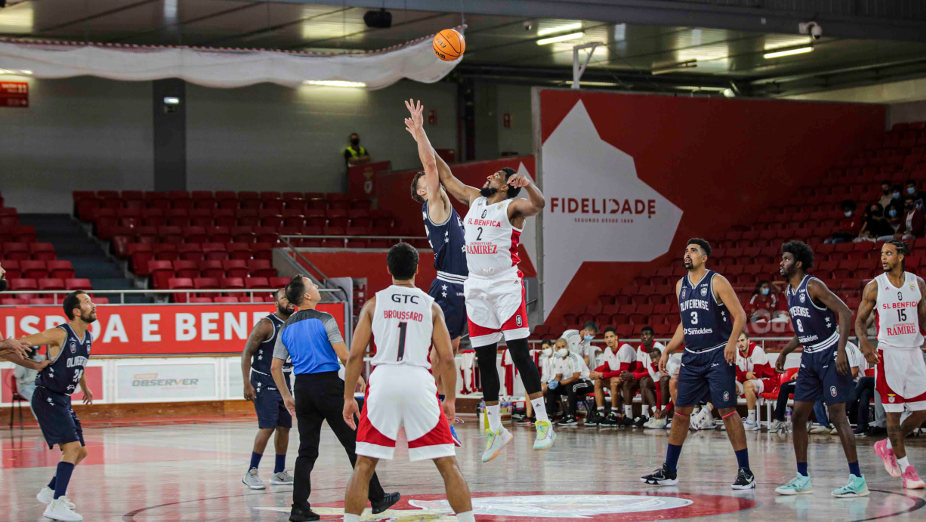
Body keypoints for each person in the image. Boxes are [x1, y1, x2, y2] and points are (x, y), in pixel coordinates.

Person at [423, 103, 553, 461]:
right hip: (476, 286)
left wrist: (529, 185)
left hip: (506, 285)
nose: (489, 176)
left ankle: (544, 422)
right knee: (483, 358)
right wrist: (422, 135)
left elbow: (540, 205)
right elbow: (446, 176)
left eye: (496, 175)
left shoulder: (512, 208)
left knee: (519, 352)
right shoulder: (475, 199)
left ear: (507, 185)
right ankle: (496, 430)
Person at [341, 242, 474, 522]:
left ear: (388, 269)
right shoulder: (431, 306)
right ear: (417, 269)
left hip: (384, 378)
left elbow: (354, 356)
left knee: (364, 464)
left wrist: (348, 397)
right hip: (418, 380)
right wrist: (450, 399)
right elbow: (447, 359)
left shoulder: (374, 303)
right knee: (447, 463)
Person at [271, 275, 399, 522]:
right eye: (312, 285)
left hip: (303, 389)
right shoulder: (325, 319)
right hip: (328, 387)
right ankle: (377, 498)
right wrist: (357, 376)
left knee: (306, 451)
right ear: (307, 295)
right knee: (355, 444)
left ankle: (299, 508)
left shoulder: (285, 328)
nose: (317, 287)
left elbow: (275, 367)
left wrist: (287, 396)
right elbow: (345, 356)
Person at [642, 238, 754, 490]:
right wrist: (668, 349)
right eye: (686, 250)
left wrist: (731, 343)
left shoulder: (717, 281)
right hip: (692, 356)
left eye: (693, 250)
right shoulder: (680, 285)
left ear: (704, 257)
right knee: (681, 412)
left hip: (717, 354)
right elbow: (685, 324)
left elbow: (740, 315)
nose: (687, 254)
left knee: (727, 411)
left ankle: (746, 471)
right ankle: (670, 470)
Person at [773, 241, 869, 498]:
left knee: (838, 416)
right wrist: (785, 351)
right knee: (798, 416)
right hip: (809, 356)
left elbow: (845, 313)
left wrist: (841, 351)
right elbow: (802, 331)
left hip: (830, 352)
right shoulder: (789, 292)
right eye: (782, 258)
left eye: (786, 259)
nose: (781, 263)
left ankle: (857, 479)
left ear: (798, 263)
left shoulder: (813, 286)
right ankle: (802, 477)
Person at [405, 99, 466, 446]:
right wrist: (419, 133)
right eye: (425, 182)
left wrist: (421, 137)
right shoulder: (436, 206)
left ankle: (438, 416)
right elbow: (430, 165)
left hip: (460, 287)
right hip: (451, 288)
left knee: (448, 354)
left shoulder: (444, 205)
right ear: (422, 192)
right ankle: (432, 414)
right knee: (441, 355)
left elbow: (439, 170)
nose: (431, 180)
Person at [2, 291, 93, 521]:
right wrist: (12, 345)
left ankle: (50, 490)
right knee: (71, 449)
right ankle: (56, 504)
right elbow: (27, 341)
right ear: (76, 311)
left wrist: (85, 387)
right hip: (47, 396)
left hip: (63, 398)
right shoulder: (59, 333)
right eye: (87, 302)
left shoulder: (88, 337)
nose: (93, 305)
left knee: (81, 451)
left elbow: (78, 365)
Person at [855, 240, 926, 490]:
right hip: (889, 355)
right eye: (882, 254)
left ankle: (886, 446)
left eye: (889, 253)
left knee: (922, 412)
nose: (884, 258)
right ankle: (907, 470)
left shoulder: (918, 284)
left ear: (901, 256)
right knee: (893, 415)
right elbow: (859, 321)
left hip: (914, 353)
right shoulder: (875, 286)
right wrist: (865, 343)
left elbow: (923, 318)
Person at [241, 289, 297, 490]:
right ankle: (251, 472)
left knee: (284, 427)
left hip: (284, 381)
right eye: (284, 298)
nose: (288, 300)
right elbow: (247, 352)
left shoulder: (295, 323)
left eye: (290, 297)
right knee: (267, 426)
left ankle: (279, 472)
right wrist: (246, 383)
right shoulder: (266, 324)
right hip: (263, 381)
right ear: (276, 303)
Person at [587, 327, 635, 426]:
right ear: (604, 339)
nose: (609, 339)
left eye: (611, 336)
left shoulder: (625, 348)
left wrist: (602, 374)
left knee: (613, 380)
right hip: (619, 378)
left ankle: (615, 414)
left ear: (616, 337)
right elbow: (606, 367)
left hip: (631, 379)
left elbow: (623, 370)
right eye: (606, 337)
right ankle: (600, 413)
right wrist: (594, 373)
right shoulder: (607, 350)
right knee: (598, 380)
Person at [545, 333, 594, 426]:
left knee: (571, 386)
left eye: (563, 346)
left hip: (585, 382)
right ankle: (550, 415)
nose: (561, 349)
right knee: (551, 389)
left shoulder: (574, 357)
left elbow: (576, 377)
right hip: (569, 383)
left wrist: (559, 383)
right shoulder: (557, 358)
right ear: (556, 349)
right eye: (559, 347)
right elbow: (558, 376)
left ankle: (572, 416)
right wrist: (553, 382)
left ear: (567, 346)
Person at [623, 326, 666, 427]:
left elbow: (656, 370)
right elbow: (639, 368)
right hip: (649, 375)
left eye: (647, 334)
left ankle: (647, 414)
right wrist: (628, 375)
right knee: (627, 382)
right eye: (642, 335)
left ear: (653, 337)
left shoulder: (659, 348)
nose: (644, 337)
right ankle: (629, 416)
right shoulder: (640, 348)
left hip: (661, 375)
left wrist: (634, 375)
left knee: (644, 381)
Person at [733, 332, 776, 431]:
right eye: (738, 341)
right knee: (730, 386)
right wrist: (745, 374)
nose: (740, 344)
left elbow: (757, 374)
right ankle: (732, 419)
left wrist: (742, 375)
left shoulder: (757, 351)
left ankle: (751, 420)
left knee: (747, 384)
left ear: (748, 341)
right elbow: (736, 373)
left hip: (767, 381)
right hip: (748, 380)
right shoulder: (736, 353)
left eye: (742, 340)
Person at [522, 340, 556, 424]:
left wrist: (546, 383)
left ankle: (542, 415)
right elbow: (544, 375)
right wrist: (541, 382)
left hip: (554, 382)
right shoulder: (545, 359)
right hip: (545, 382)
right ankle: (529, 415)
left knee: (540, 389)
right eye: (543, 348)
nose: (545, 350)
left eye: (547, 347)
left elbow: (557, 375)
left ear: (552, 346)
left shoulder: (557, 358)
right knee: (528, 389)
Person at [13, 346, 44, 416]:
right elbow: (17, 375)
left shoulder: (39, 358)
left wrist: (35, 359)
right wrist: (22, 361)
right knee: (35, 397)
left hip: (37, 386)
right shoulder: (20, 360)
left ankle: (48, 419)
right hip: (24, 387)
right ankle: (40, 420)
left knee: (48, 397)